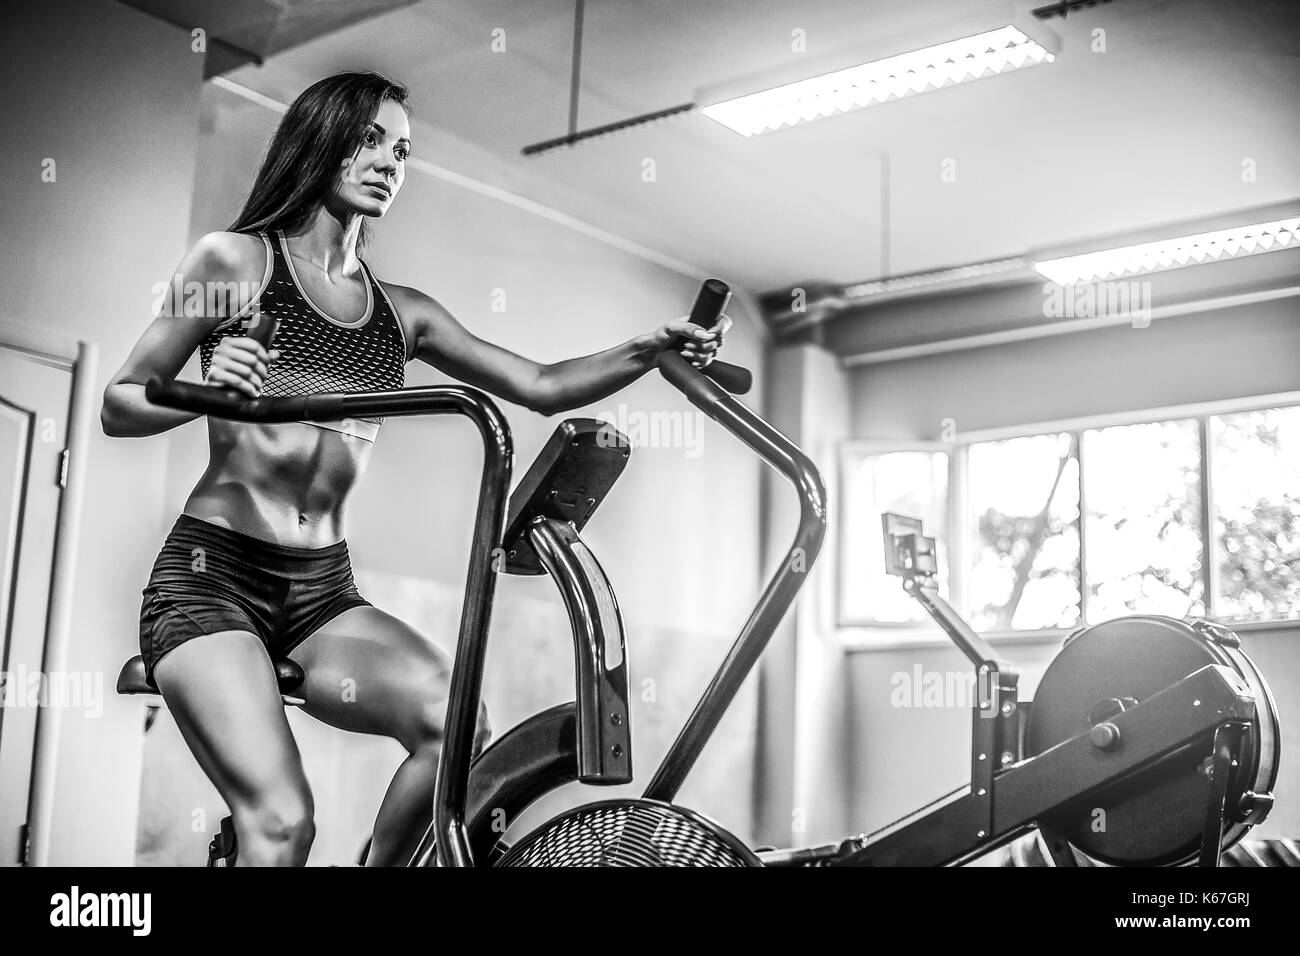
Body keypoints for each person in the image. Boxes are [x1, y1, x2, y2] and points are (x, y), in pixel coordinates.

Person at [100, 71, 728, 866]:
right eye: (369, 140)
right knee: (284, 822)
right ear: (319, 141)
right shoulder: (238, 261)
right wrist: (204, 392)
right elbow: (119, 404)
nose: (389, 162)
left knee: (460, 729)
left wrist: (649, 348)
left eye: (401, 150)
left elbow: (540, 385)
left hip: (323, 591)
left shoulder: (404, 313)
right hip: (210, 580)